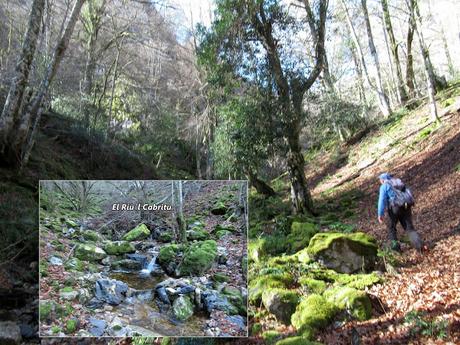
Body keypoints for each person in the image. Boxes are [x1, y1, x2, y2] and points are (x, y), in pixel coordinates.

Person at [377, 173, 422, 252]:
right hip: (406, 206)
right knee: (409, 228)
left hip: (394, 208)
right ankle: (420, 246)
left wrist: (380, 214)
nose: (380, 181)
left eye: (380, 179)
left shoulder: (384, 186)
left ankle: (396, 249)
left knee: (391, 228)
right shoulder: (399, 182)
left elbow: (382, 200)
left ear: (383, 179)